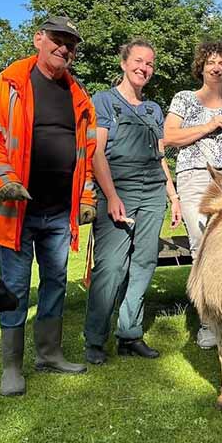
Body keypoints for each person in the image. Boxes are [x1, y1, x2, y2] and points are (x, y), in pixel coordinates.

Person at [0, 15, 99, 397]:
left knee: (56, 282)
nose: (65, 48)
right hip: (16, 212)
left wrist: (88, 197)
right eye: (58, 40)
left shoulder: (79, 96)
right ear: (38, 39)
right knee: (14, 286)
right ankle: (12, 366)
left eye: (71, 44)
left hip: (60, 212)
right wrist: (4, 180)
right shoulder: (9, 84)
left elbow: (87, 153)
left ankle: (49, 353)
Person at [83, 39, 182, 364]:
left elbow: (159, 156)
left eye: (150, 64)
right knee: (112, 266)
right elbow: (96, 152)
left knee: (144, 263)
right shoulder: (104, 101)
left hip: (153, 192)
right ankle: (95, 341)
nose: (144, 68)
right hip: (119, 190)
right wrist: (110, 197)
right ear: (124, 63)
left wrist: (173, 195)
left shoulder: (153, 109)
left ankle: (130, 334)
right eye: (138, 61)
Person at [162, 41, 222, 349]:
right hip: (194, 178)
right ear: (201, 67)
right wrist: (209, 126)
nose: (217, 67)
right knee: (202, 245)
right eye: (211, 62)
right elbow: (169, 137)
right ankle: (208, 322)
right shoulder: (184, 99)